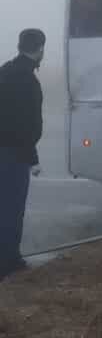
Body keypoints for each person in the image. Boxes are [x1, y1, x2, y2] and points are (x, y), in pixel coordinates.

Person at [0, 28, 45, 280]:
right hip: (15, 155)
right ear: (39, 49)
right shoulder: (28, 80)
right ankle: (8, 261)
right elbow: (29, 126)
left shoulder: (4, 71)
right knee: (12, 209)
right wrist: (33, 156)